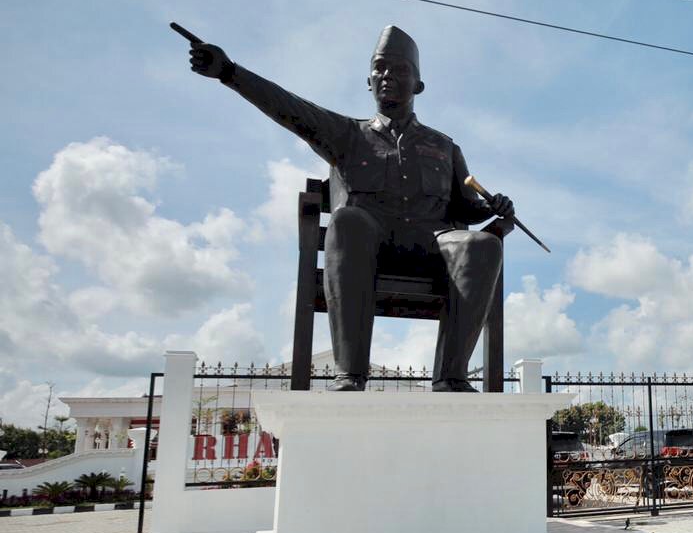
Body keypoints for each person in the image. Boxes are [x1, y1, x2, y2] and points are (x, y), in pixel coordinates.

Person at [185, 25, 514, 392]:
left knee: (484, 245)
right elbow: (288, 107)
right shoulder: (347, 135)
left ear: (419, 85)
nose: (388, 76)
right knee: (347, 221)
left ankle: (451, 377)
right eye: (380, 68)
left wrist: (493, 208)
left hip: (430, 249)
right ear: (369, 81)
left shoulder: (445, 146)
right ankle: (351, 374)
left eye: (400, 69)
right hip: (369, 248)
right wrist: (230, 73)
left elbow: (465, 208)